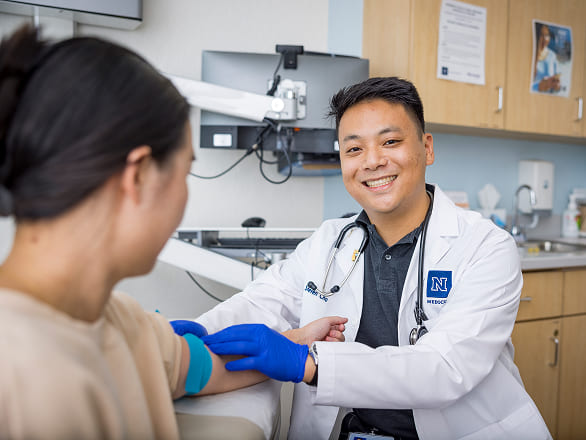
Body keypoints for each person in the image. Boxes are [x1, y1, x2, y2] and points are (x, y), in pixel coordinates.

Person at [0, 25, 346, 440]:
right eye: (185, 171)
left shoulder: (122, 322)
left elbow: (207, 368)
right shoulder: (18, 373)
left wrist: (293, 343)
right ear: (140, 175)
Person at [194, 77, 552, 440]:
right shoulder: (330, 241)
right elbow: (262, 301)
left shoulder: (485, 247)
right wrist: (195, 333)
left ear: (426, 149)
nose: (373, 162)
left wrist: (310, 364)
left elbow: (445, 368)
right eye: (354, 150)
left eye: (391, 142)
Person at [532, 23, 561, 93]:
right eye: (541, 35)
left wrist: (557, 86)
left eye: (547, 35)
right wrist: (539, 86)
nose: (545, 39)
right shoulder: (530, 54)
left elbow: (558, 84)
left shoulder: (552, 56)